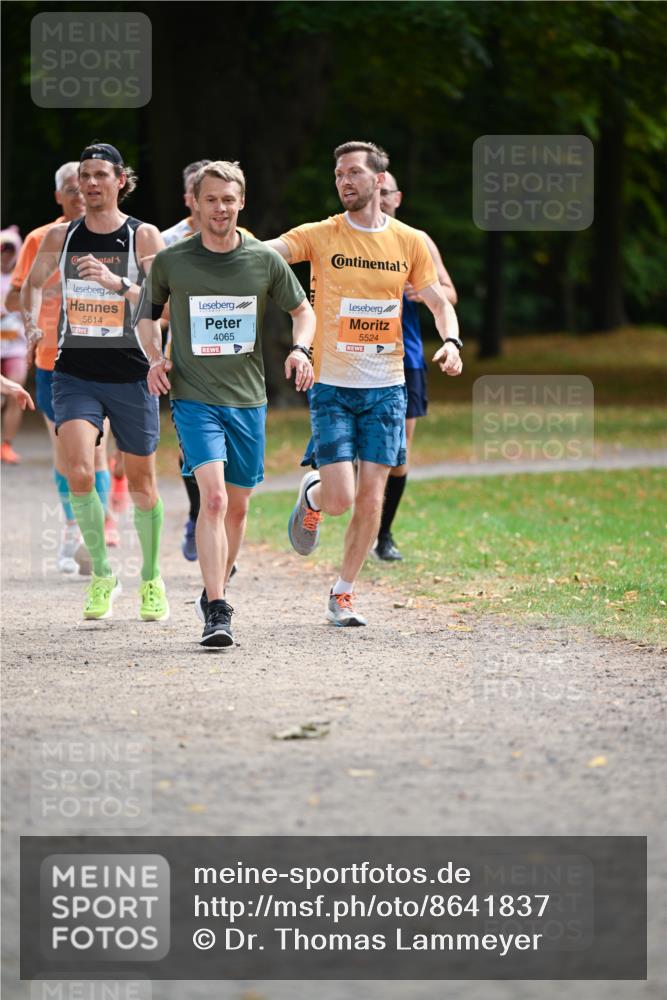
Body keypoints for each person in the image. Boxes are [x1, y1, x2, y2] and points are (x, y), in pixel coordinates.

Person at [266, 140, 462, 627]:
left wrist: (452, 341)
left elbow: (439, 300)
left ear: (378, 181)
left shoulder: (410, 241)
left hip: (388, 388)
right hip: (332, 385)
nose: (344, 181)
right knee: (341, 500)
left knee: (373, 495)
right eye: (338, 174)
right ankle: (313, 496)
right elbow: (268, 253)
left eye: (353, 172)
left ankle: (343, 592)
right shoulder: (321, 234)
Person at [140, 160, 315, 647]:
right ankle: (217, 608)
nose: (221, 208)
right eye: (211, 199)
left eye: (229, 199)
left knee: (237, 509)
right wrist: (155, 357)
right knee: (212, 500)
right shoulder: (173, 261)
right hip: (195, 397)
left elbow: (303, 311)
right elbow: (147, 318)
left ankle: (215, 584)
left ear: (242, 202)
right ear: (194, 203)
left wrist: (301, 349)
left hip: (248, 399)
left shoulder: (263, 259)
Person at [21, 142, 168, 621]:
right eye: (85, 175)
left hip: (131, 371)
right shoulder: (60, 236)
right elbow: (31, 284)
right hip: (75, 372)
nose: (90, 183)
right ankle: (104, 575)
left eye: (101, 175)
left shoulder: (142, 236)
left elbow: (164, 304)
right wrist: (30, 322)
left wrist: (115, 284)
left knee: (144, 484)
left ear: (121, 180)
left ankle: (151, 578)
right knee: (80, 471)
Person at [7, 163, 123, 575]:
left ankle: (102, 525)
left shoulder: (118, 235)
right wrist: (39, 305)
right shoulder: (42, 239)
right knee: (65, 457)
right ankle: (74, 529)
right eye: (71, 189)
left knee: (97, 452)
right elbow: (14, 298)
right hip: (53, 360)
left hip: (104, 356)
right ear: (59, 196)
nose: (80, 194)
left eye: (86, 187)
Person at [374, 171, 459, 561]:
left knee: (398, 453)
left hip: (407, 358)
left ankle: (383, 535)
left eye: (386, 191)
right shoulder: (353, 237)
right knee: (365, 453)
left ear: (398, 197)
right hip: (361, 356)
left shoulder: (417, 240)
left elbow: (450, 293)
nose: (381, 197)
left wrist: (423, 294)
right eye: (375, 191)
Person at [161, 159, 211, 560]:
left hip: (232, 360)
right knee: (189, 447)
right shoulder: (167, 241)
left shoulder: (241, 238)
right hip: (183, 359)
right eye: (202, 192)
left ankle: (216, 520)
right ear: (189, 198)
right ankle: (199, 515)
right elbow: (153, 307)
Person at [1, 227, 28, 464]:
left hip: (16, 346)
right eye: (0, 248)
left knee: (16, 390)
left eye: (9, 249)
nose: (4, 254)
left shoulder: (22, 278)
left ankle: (7, 445)